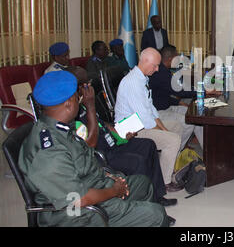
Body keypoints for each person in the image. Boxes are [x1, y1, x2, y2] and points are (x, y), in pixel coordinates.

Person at [18, 71, 169, 227]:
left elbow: (85, 159)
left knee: (143, 184)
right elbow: (77, 199)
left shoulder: (62, 127)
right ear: (69, 103)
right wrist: (115, 191)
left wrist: (110, 177)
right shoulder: (49, 151)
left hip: (93, 188)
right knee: (156, 215)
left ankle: (134, 216)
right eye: (78, 96)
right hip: (77, 215)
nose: (81, 99)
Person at [66, 66, 177, 207]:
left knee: (148, 145)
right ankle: (147, 205)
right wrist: (90, 106)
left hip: (112, 143)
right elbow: (89, 146)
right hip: (102, 155)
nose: (90, 86)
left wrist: (122, 135)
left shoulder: (83, 104)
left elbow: (104, 125)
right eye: (86, 84)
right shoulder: (74, 112)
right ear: (78, 87)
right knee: (138, 161)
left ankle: (157, 195)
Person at [114, 47, 183, 192]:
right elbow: (145, 119)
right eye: (155, 65)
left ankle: (167, 165)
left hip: (142, 123)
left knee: (176, 127)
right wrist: (165, 134)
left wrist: (164, 130)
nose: (157, 69)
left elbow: (151, 109)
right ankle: (165, 181)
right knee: (173, 139)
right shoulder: (133, 83)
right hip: (132, 130)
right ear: (145, 61)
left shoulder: (142, 78)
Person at [148, 45, 212, 149]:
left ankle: (208, 150)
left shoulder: (164, 70)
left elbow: (162, 94)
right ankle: (176, 150)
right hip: (159, 112)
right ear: (170, 59)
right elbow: (180, 92)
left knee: (197, 116)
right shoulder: (161, 72)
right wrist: (204, 91)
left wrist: (178, 102)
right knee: (189, 122)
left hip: (167, 106)